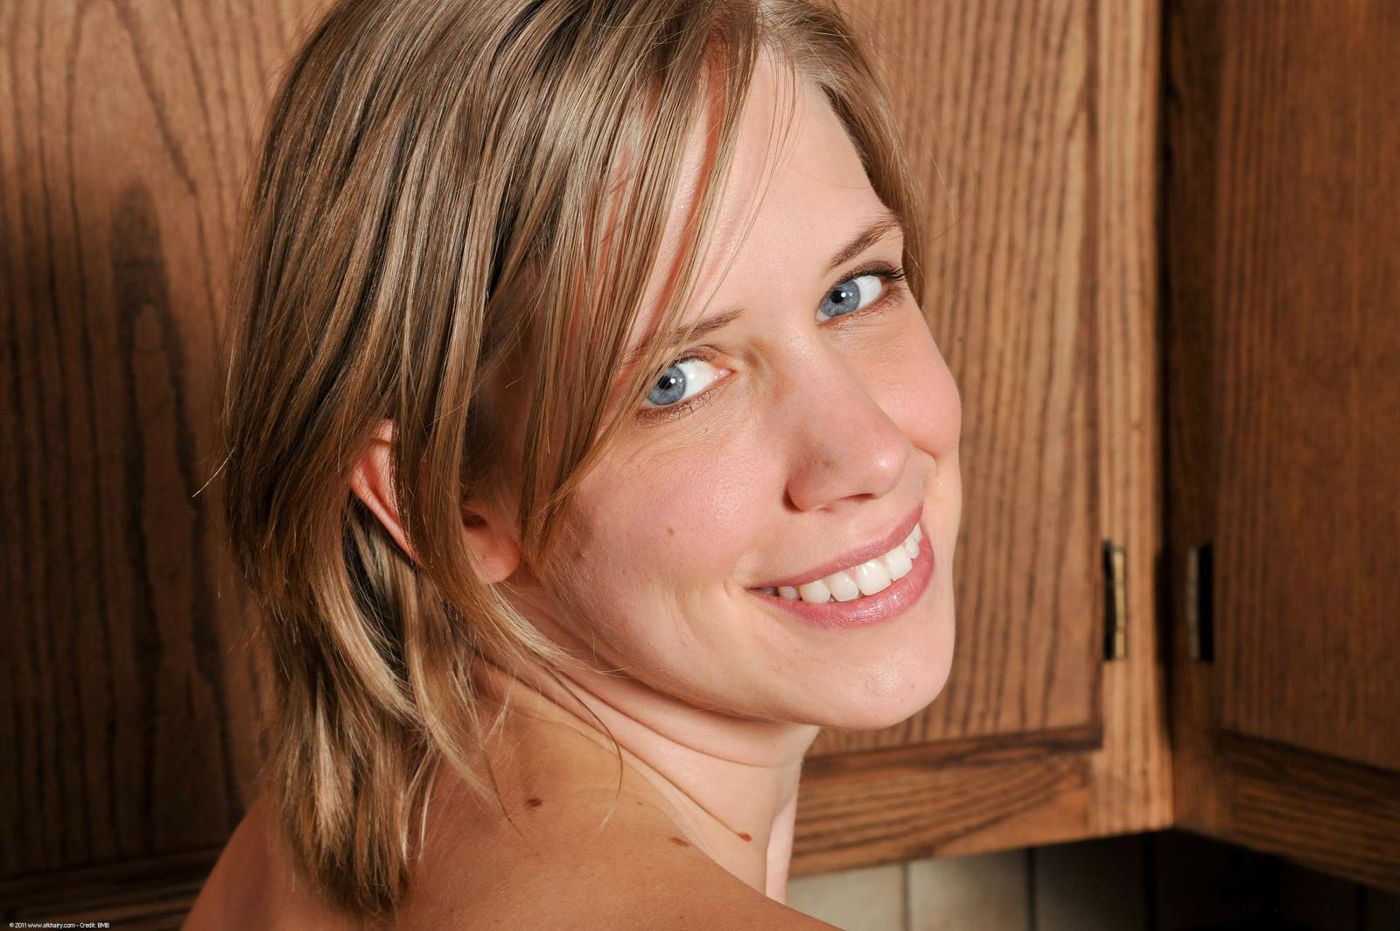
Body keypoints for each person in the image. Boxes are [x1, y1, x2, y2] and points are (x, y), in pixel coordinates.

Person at [185, 0, 962, 926]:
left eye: (853, 290)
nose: (870, 450)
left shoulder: (347, 820)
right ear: (441, 499)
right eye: (676, 379)